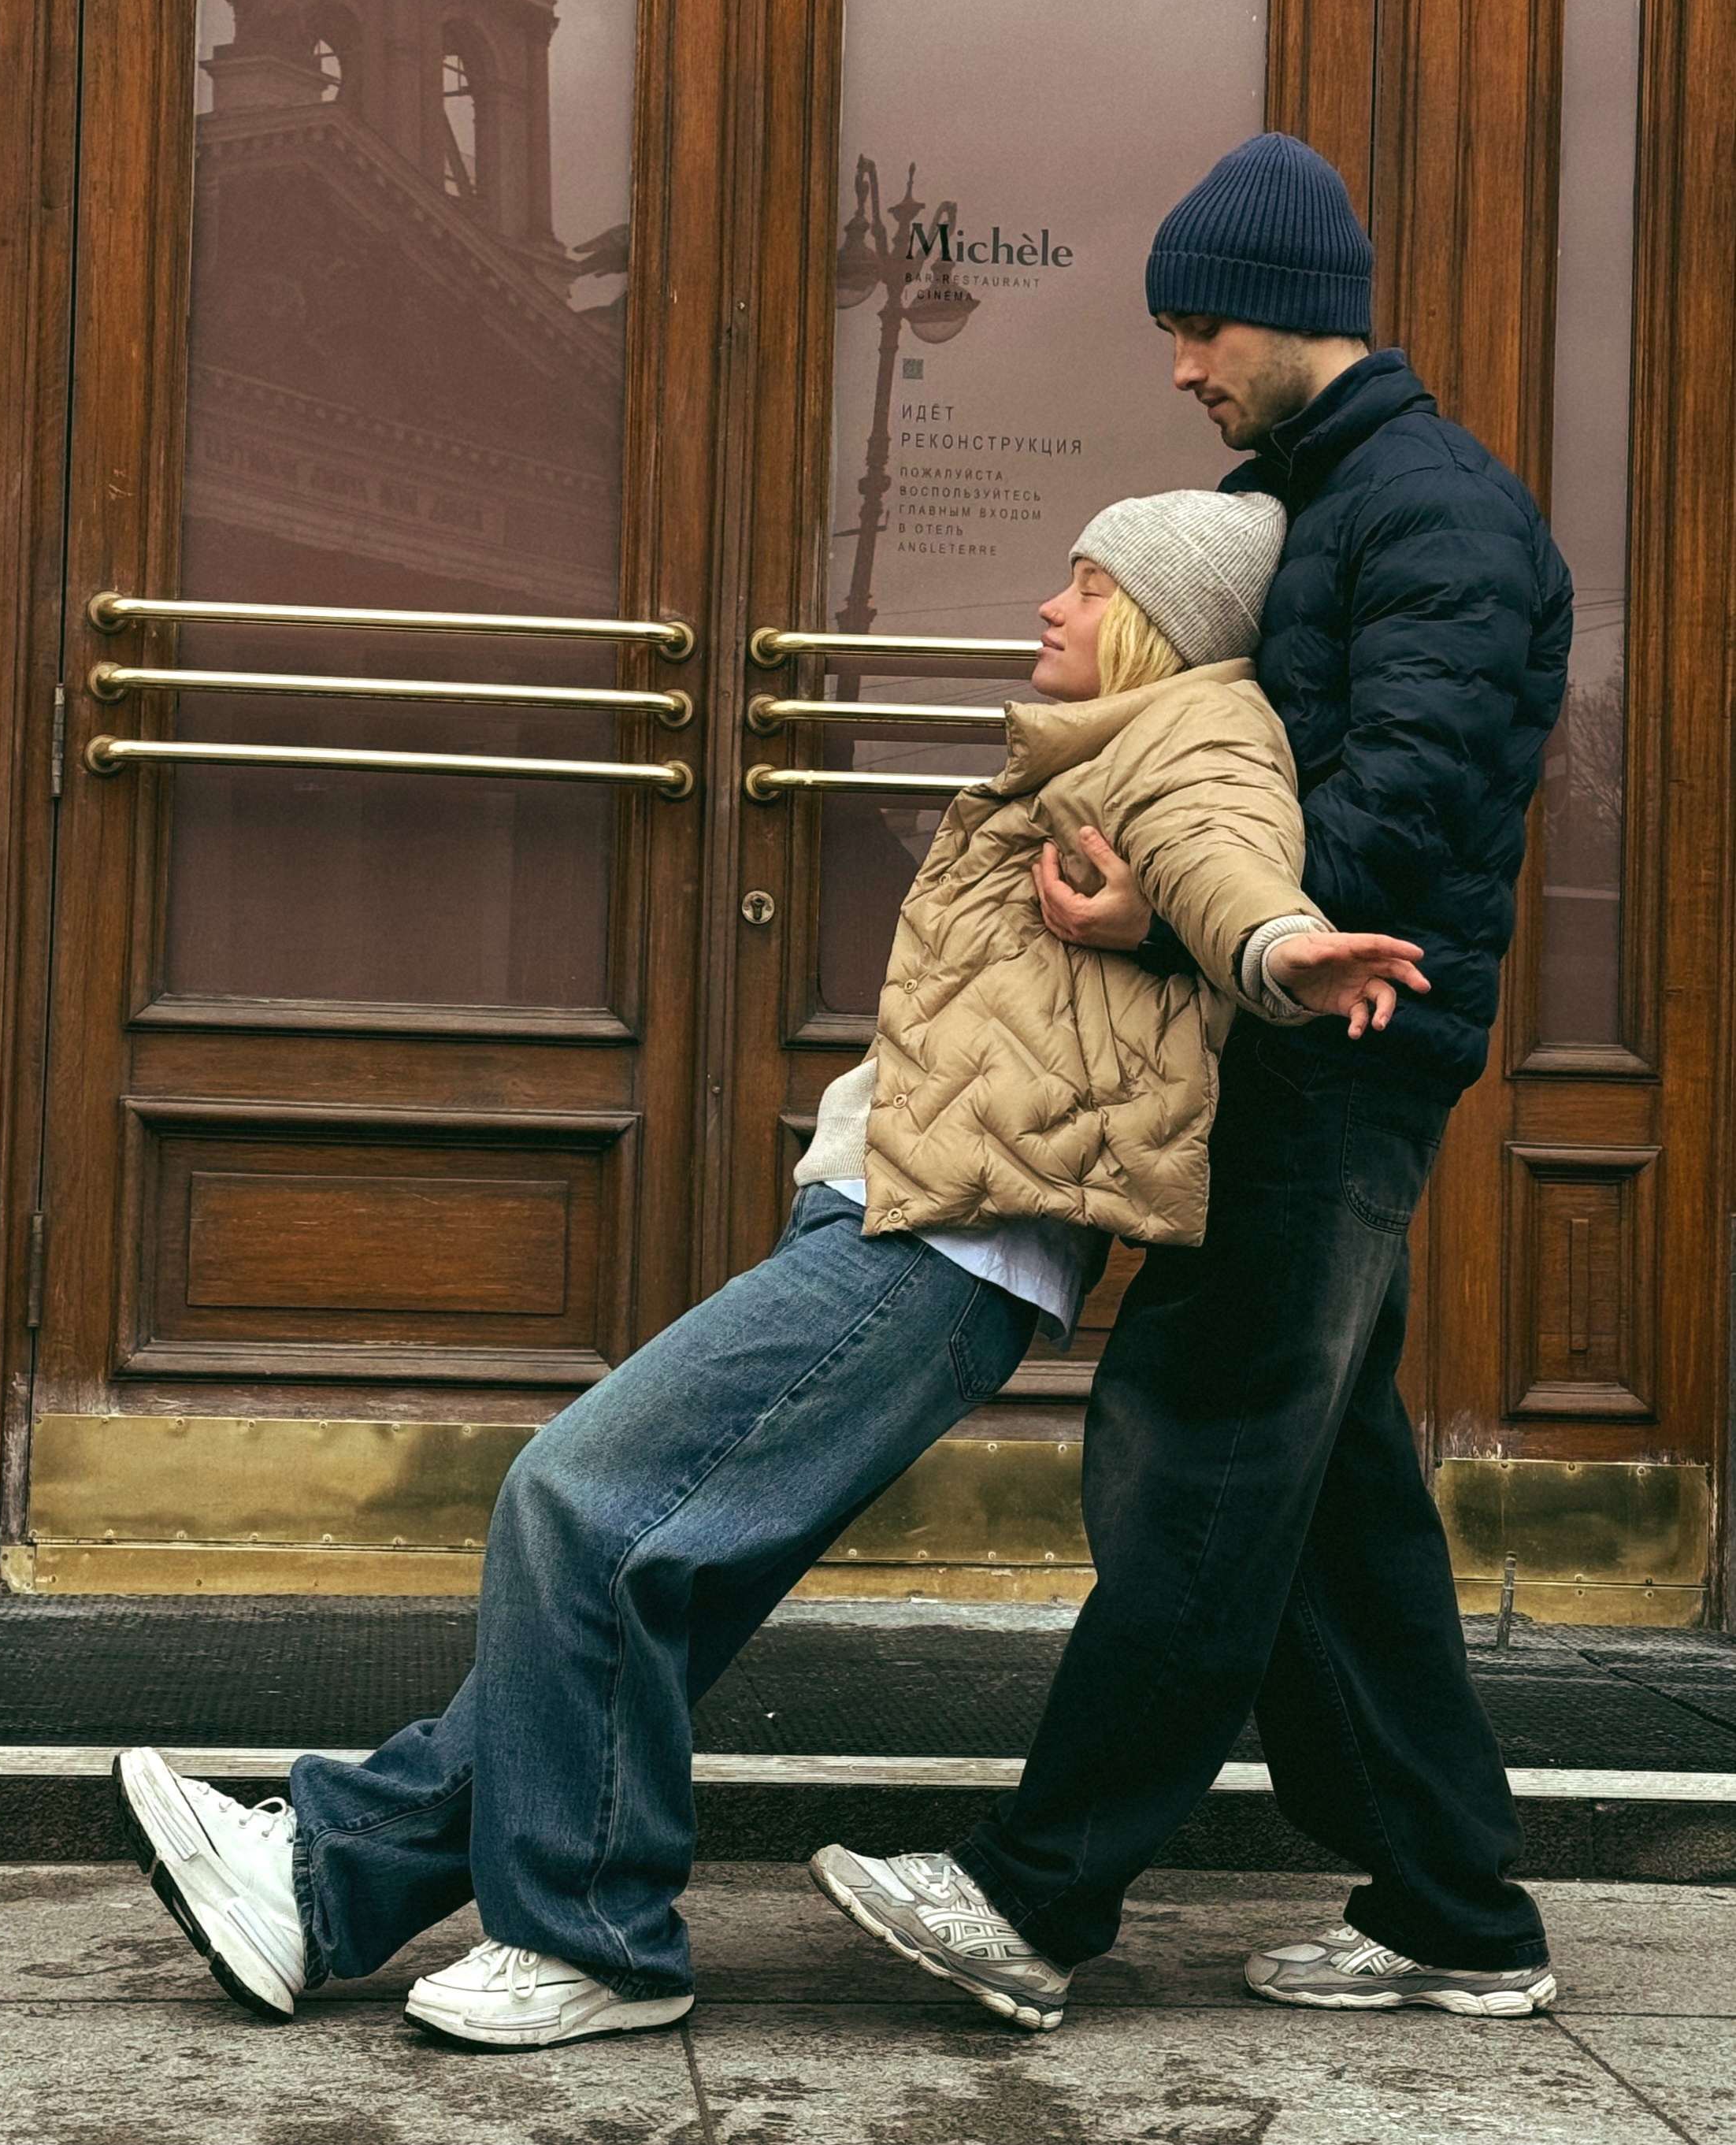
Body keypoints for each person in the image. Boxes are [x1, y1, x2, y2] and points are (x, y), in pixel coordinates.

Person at [111, 487, 1426, 2050]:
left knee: (578, 1501)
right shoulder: (1104, 746)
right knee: (653, 1567)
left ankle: (593, 1938)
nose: (1050, 608)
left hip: (944, 1236)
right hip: (914, 1219)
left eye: (1085, 584)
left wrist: (1279, 952)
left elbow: (1229, 871)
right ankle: (327, 1877)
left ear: (1157, 616)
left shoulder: (1199, 734)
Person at [813, 131, 1574, 2032]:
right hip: (1305, 1040)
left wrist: (1161, 911)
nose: (1178, 362)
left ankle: (1035, 1898)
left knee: (1203, 1447)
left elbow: (1400, 802)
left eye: (1200, 322)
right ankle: (1454, 1909)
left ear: (1301, 312)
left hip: (1349, 1043)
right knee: (1325, 1490)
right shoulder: (1318, 496)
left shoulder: (1434, 515)